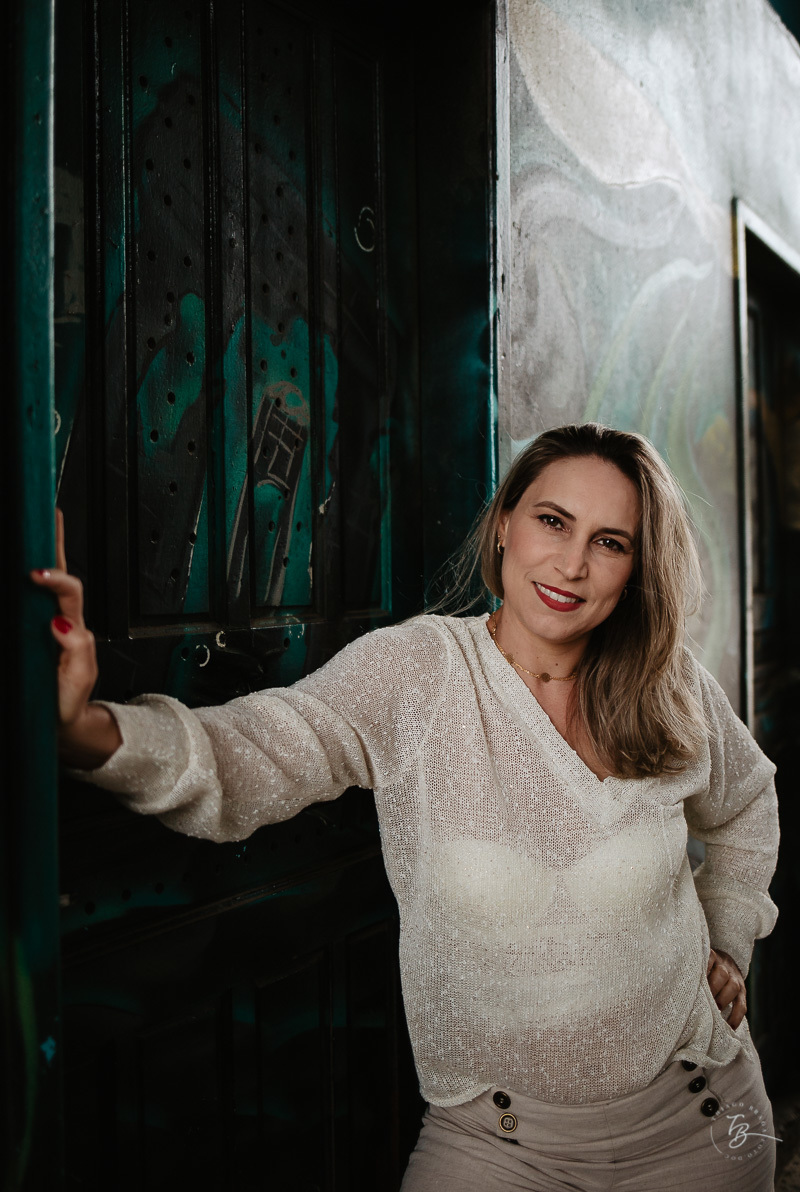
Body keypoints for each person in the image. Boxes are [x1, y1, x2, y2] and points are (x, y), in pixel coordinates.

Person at [31, 423, 780, 1190]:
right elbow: (252, 751)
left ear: (636, 568)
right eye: (552, 521)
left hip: (704, 1127)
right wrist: (87, 728)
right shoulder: (420, 671)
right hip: (498, 1146)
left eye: (610, 541)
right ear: (504, 524)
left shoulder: (667, 686)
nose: (572, 564)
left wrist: (730, 931)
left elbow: (748, 799)